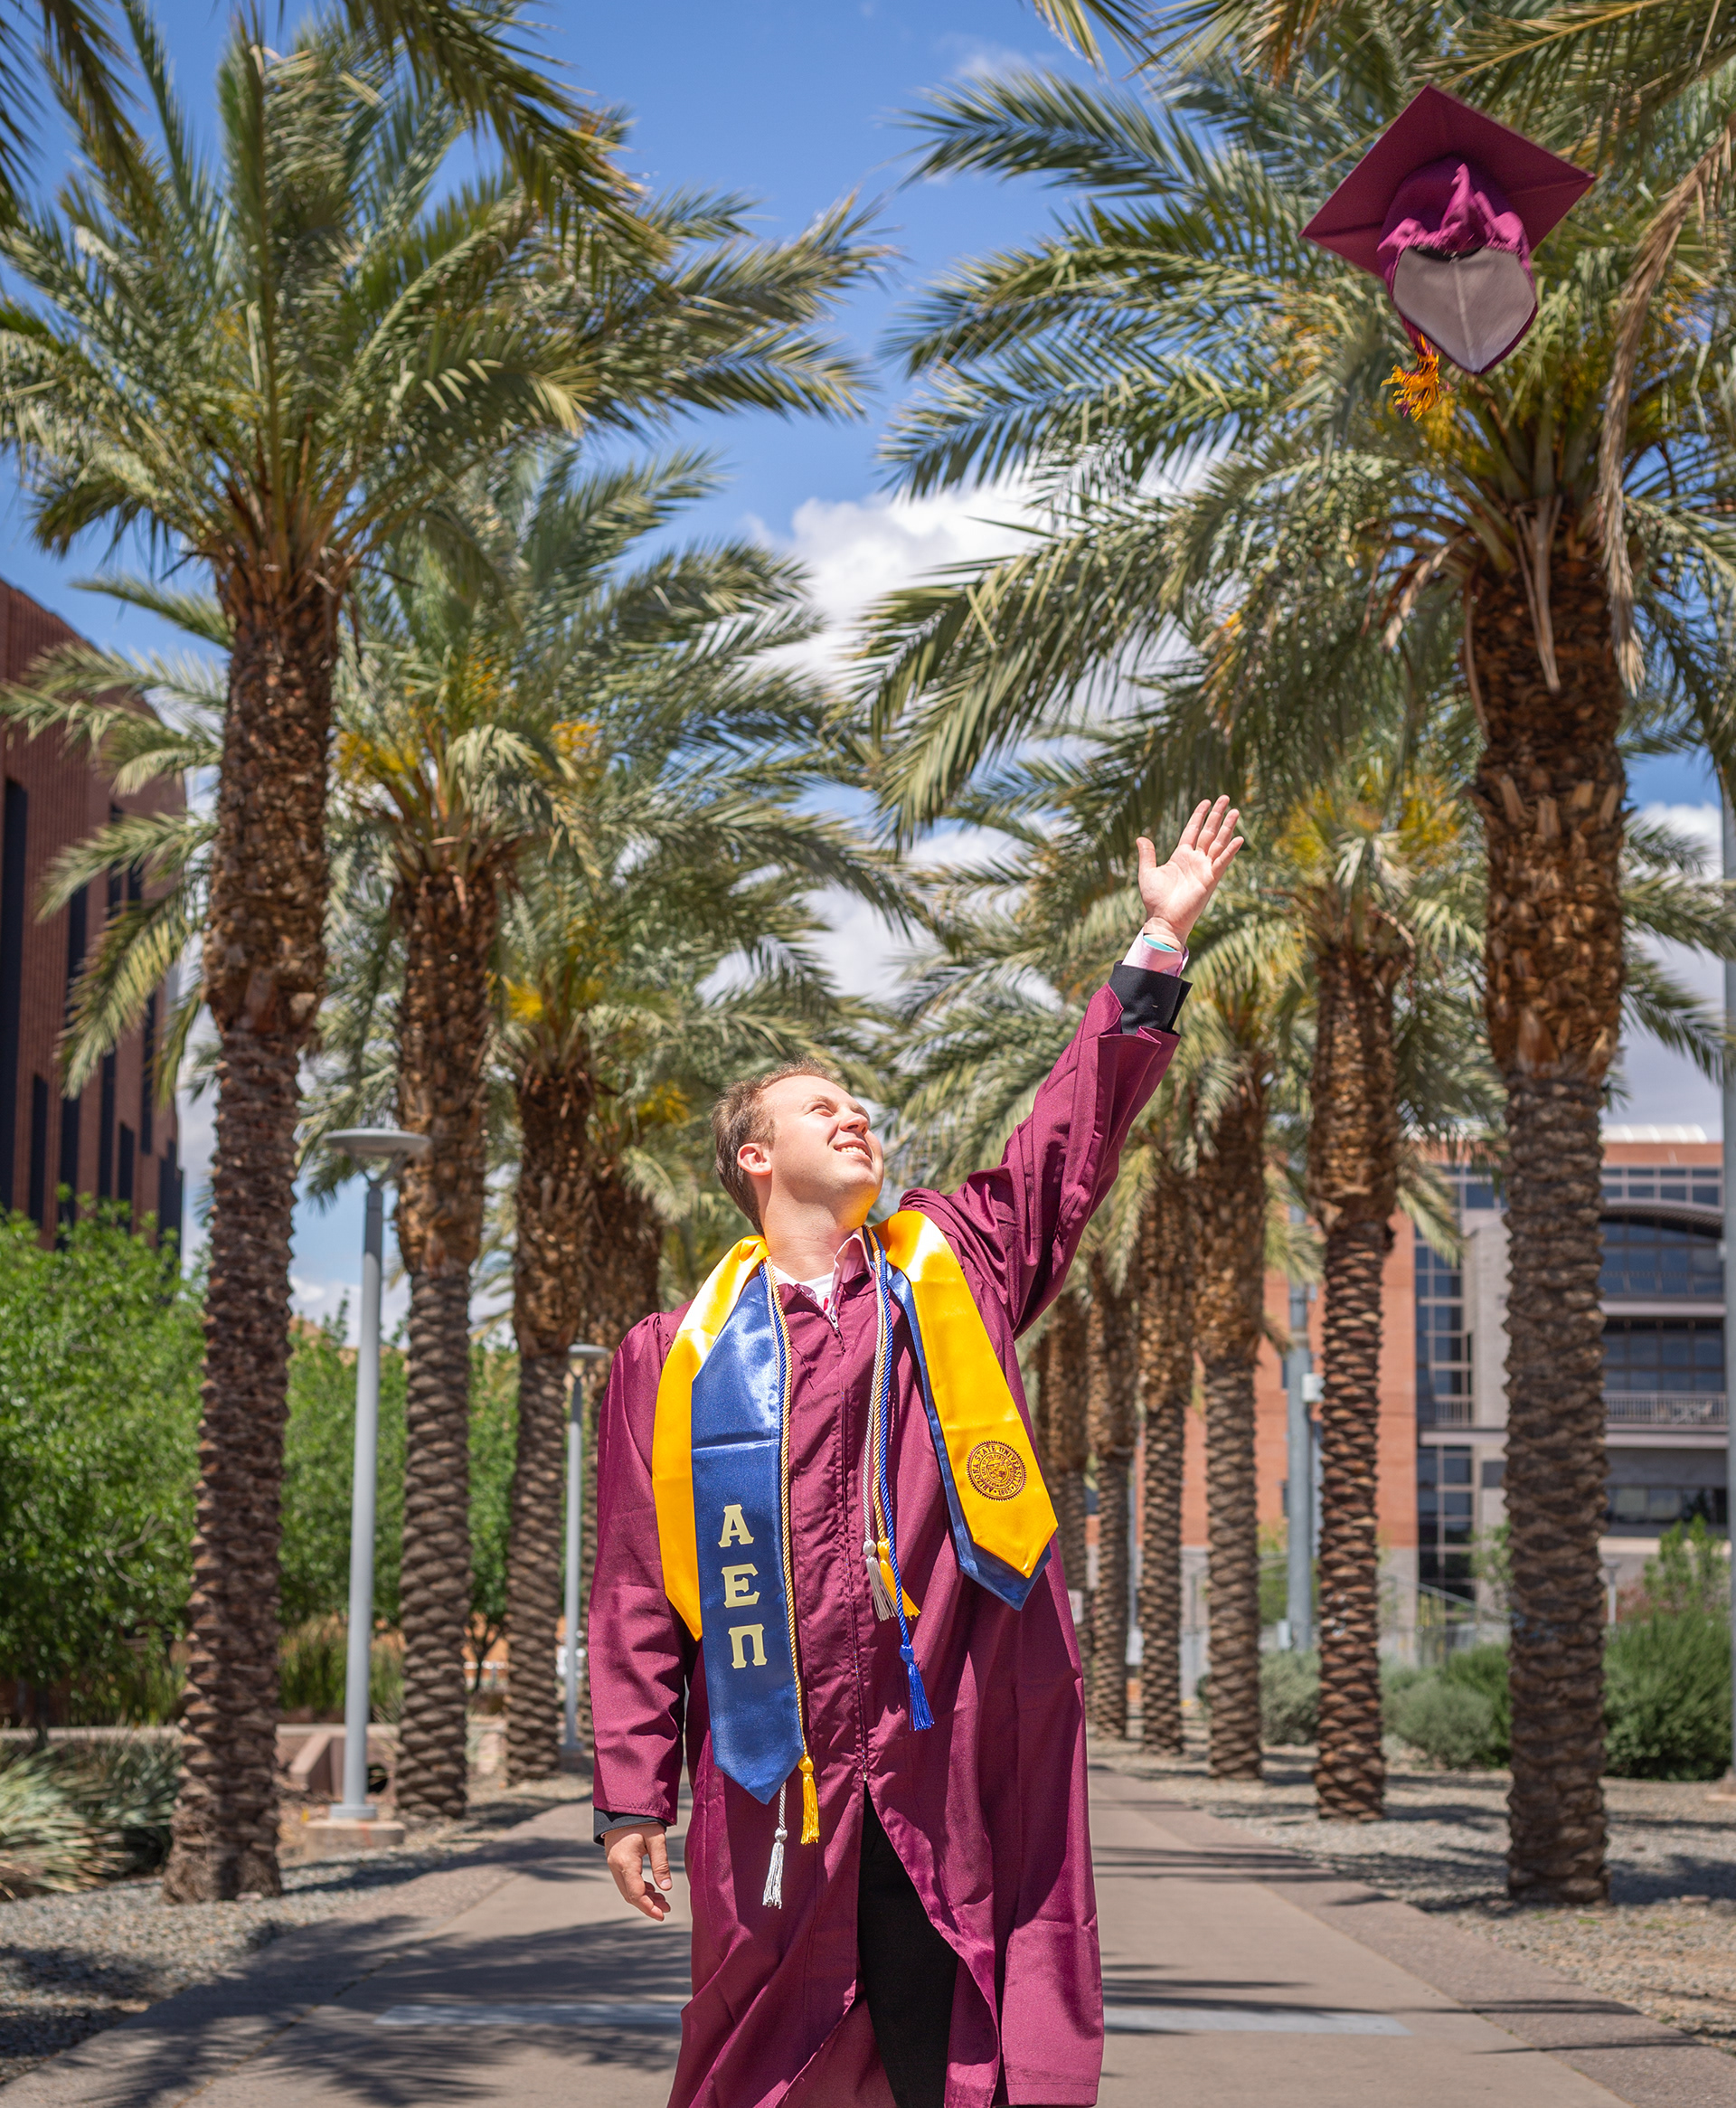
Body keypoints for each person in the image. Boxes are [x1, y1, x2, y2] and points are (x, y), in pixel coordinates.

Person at [589, 799, 1244, 2108]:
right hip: (776, 1771)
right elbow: (634, 1590)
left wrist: (1157, 942)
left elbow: (1065, 1146)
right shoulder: (676, 1354)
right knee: (774, 2053)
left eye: (863, 1106)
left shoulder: (951, 1269)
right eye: (822, 1107)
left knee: (951, 2037)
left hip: (948, 1745)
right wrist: (629, 1797)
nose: (858, 1120)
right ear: (753, 1155)